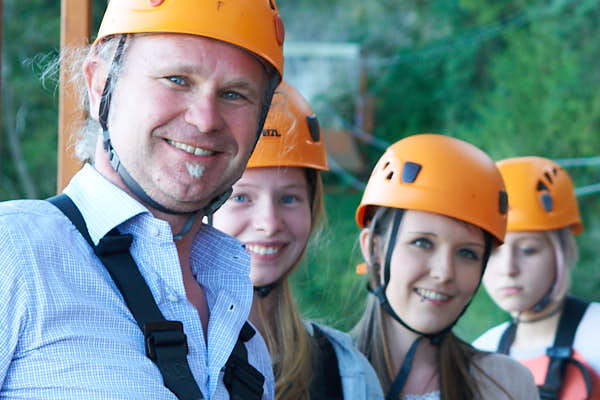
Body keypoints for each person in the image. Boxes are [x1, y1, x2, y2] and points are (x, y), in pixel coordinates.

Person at [0, 0, 286, 398]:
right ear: (100, 83)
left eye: (235, 94)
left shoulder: (246, 345)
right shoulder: (13, 253)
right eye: (177, 79)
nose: (206, 119)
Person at [211, 81, 384, 399]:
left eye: (289, 199)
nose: (269, 223)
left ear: (312, 210)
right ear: (205, 208)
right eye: (242, 198)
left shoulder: (345, 373)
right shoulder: (157, 355)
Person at [351, 134, 540, 400]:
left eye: (467, 253)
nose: (444, 273)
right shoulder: (316, 372)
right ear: (374, 248)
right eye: (422, 243)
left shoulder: (506, 386)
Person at [473, 156, 600, 399]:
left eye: (528, 250)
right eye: (495, 252)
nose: (508, 268)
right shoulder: (481, 353)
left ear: (561, 253)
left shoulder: (596, 335)